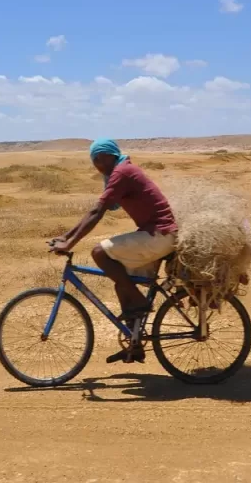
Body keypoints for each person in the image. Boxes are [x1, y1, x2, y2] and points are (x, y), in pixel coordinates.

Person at [48, 138, 178, 362]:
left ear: (109, 155)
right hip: (159, 235)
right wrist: (66, 236)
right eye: (93, 160)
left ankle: (139, 301)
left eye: (98, 159)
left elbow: (98, 211)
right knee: (123, 284)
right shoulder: (122, 171)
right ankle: (134, 345)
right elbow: (94, 211)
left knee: (99, 253)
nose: (96, 165)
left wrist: (70, 243)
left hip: (160, 235)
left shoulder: (122, 172)